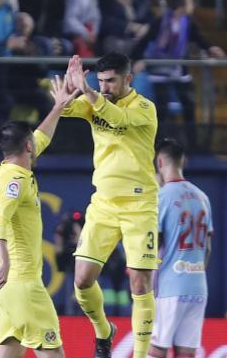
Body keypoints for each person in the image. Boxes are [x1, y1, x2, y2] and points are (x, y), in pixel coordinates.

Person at [62, 52, 159, 358]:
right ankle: (104, 331)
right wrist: (67, 91)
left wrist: (88, 92)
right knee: (82, 280)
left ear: (128, 79)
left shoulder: (145, 108)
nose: (104, 87)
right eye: (100, 81)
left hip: (139, 205)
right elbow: (64, 111)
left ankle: (141, 355)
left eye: (111, 81)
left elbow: (117, 119)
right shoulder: (95, 102)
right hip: (103, 204)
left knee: (140, 281)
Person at [0, 75, 77, 358]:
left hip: (10, 287)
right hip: (24, 283)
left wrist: (59, 106)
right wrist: (2, 259)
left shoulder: (10, 167)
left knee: (8, 354)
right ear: (27, 148)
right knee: (53, 355)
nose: (37, 144)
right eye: (33, 143)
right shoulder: (16, 180)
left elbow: (42, 136)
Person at [149, 138, 214, 358]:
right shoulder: (202, 197)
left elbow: (154, 245)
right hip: (198, 286)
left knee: (157, 348)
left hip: (170, 286)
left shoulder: (162, 197)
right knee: (187, 352)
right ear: (183, 161)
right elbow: (207, 249)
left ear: (159, 162)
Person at [131, 0, 225, 149]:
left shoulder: (187, 23)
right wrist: (139, 60)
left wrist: (210, 48)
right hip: (159, 71)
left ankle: (193, 145)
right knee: (162, 108)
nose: (192, 5)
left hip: (179, 72)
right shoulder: (160, 22)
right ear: (181, 5)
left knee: (189, 105)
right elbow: (142, 43)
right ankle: (158, 145)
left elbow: (199, 39)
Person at [54, 210, 84, 316]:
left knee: (83, 288)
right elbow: (59, 246)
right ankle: (69, 312)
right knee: (69, 288)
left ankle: (82, 312)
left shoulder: (84, 227)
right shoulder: (63, 228)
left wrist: (78, 231)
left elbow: (80, 241)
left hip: (81, 260)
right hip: (69, 261)